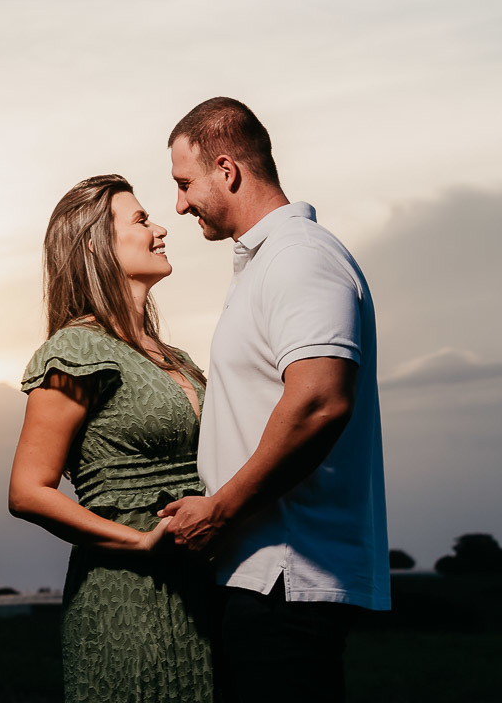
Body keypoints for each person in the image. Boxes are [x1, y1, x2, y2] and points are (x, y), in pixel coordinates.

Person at [158, 97, 390, 702]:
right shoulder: (267, 264)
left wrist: (221, 509)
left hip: (288, 581)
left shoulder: (299, 256)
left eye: (185, 184)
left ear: (227, 170)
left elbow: (320, 402)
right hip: (260, 578)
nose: (179, 204)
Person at [9, 174, 213, 703]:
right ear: (98, 244)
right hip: (127, 597)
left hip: (204, 591)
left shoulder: (178, 360)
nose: (161, 227)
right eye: (142, 220)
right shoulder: (74, 350)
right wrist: (142, 542)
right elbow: (29, 491)